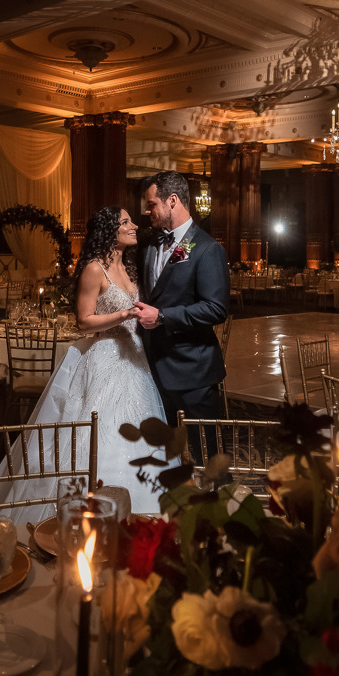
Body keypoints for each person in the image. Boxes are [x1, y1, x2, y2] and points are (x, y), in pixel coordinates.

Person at [0, 205, 167, 523]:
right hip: (103, 358)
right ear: (109, 231)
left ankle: (141, 520)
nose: (133, 226)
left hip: (135, 358)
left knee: (143, 434)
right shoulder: (93, 269)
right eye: (126, 222)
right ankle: (79, 519)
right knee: (95, 433)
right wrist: (124, 314)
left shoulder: (130, 268)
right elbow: (84, 322)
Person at [133, 171, 230, 463]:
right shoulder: (149, 244)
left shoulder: (207, 248)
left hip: (194, 373)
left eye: (152, 205)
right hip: (153, 370)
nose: (147, 211)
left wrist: (162, 316)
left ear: (172, 200)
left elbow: (216, 308)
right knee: (167, 458)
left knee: (209, 458)